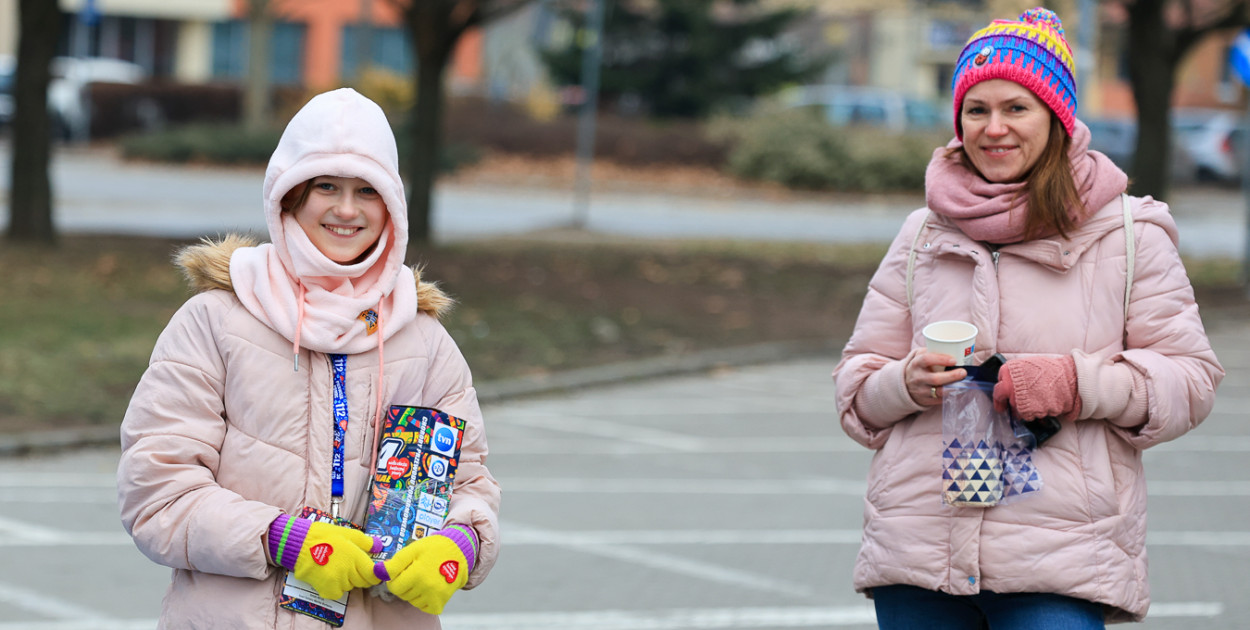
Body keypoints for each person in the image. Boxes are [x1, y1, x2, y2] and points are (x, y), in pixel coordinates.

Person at [832, 8, 1223, 628]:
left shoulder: (1129, 234)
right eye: (977, 109)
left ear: (1058, 118)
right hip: (918, 555)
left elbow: (1191, 380)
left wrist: (1075, 384)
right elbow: (855, 389)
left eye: (1017, 108)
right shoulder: (922, 232)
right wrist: (903, 382)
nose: (994, 128)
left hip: (1061, 559)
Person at [117, 88, 500, 629]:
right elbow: (158, 492)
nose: (347, 209)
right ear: (290, 196)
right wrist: (285, 539)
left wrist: (460, 543)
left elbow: (467, 484)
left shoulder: (424, 340)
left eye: (367, 190)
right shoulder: (215, 321)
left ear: (391, 205)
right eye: (327, 186)